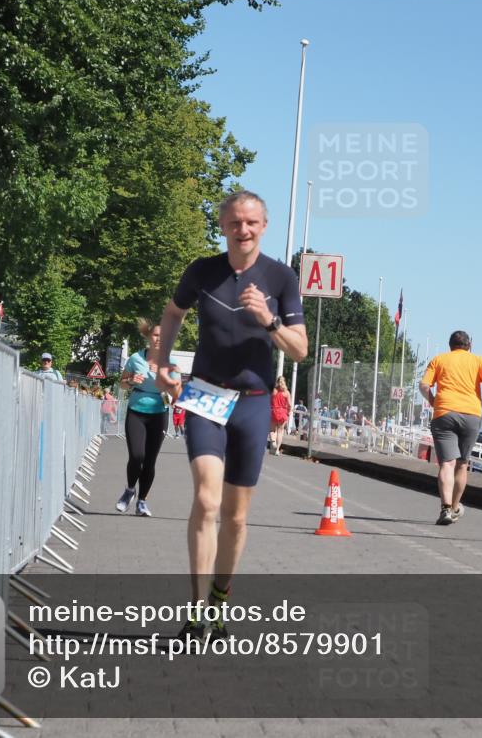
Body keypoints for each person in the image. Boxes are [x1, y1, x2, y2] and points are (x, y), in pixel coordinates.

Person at [155, 191, 307, 642]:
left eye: (252, 222)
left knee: (236, 517)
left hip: (254, 402)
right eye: (235, 222)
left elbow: (300, 350)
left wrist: (269, 320)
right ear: (222, 225)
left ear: (264, 225)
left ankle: (220, 600)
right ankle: (197, 610)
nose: (243, 230)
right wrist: (164, 363)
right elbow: (172, 312)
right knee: (206, 501)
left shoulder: (281, 278)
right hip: (204, 395)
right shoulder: (202, 270)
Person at [419, 330, 482, 526]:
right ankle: (454, 508)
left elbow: (423, 385)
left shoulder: (439, 359)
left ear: (450, 346)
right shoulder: (479, 360)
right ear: (469, 345)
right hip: (471, 414)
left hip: (444, 412)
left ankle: (445, 508)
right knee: (462, 464)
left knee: (447, 463)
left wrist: (433, 401)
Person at [115, 320, 176, 517]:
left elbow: (176, 394)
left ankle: (142, 501)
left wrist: (168, 385)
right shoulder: (135, 358)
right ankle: (129, 490)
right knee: (137, 455)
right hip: (136, 411)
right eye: (156, 335)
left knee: (150, 461)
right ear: (149, 337)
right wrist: (131, 380)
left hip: (159, 413)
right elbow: (122, 384)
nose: (159, 339)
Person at [268, 376, 292, 455]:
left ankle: (273, 442)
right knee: (280, 432)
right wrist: (288, 413)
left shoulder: (273, 391)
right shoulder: (286, 392)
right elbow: (289, 404)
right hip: (283, 413)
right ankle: (277, 450)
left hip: (274, 411)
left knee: (272, 430)